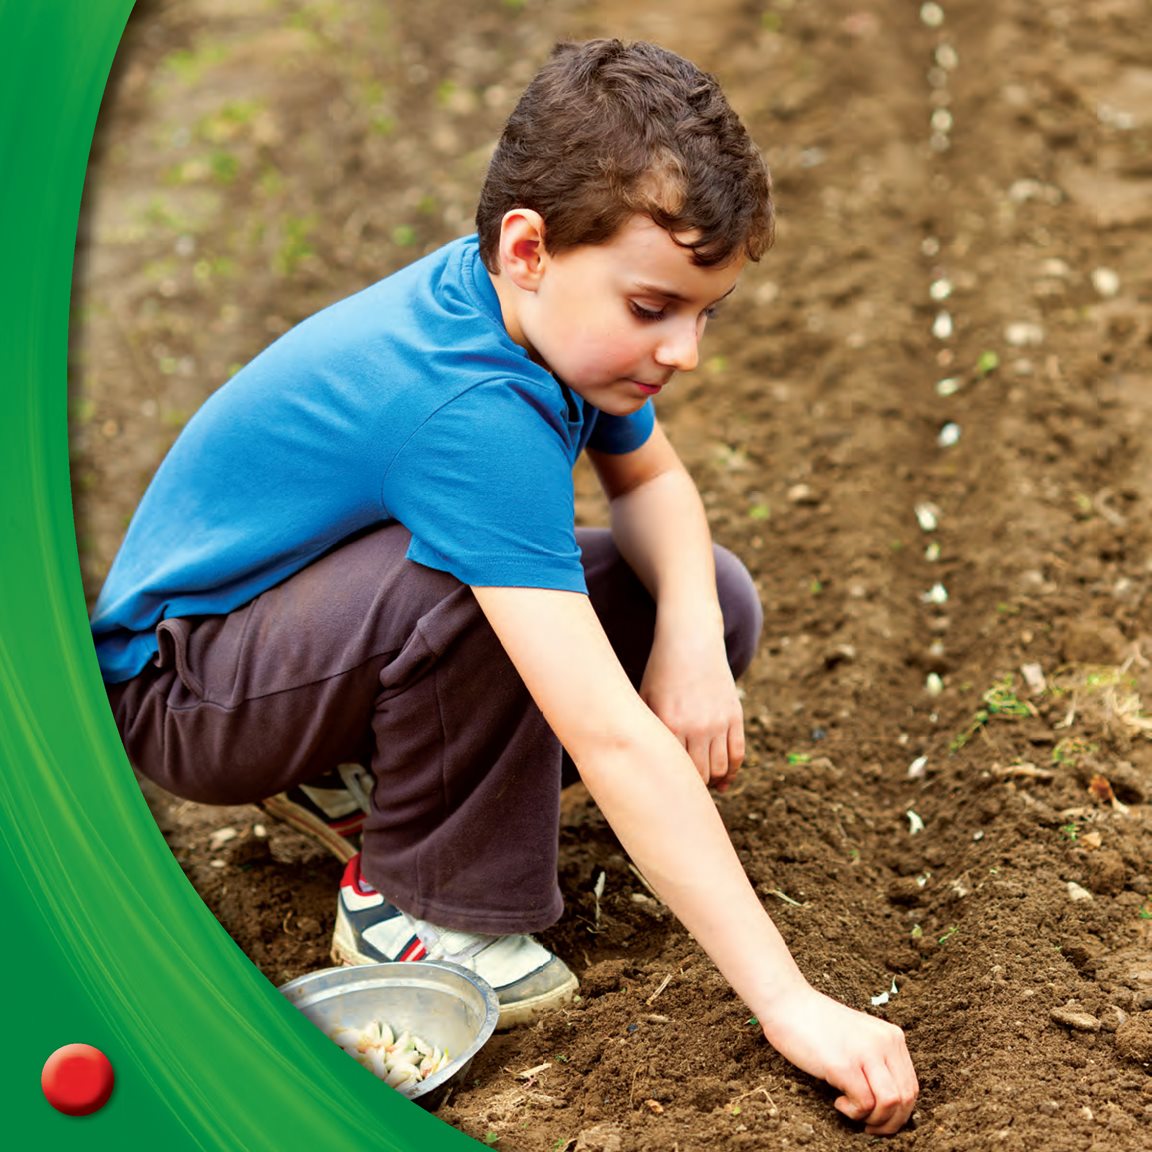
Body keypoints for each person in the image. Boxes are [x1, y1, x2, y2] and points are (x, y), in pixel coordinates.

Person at [92, 38, 919, 1134]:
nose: (686, 351)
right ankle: (416, 904)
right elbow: (612, 739)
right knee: (470, 594)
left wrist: (687, 639)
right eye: (654, 306)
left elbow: (657, 484)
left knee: (708, 595)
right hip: (185, 685)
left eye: (703, 312)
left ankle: (366, 761)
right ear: (528, 245)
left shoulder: (539, 313)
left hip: (290, 637)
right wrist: (788, 1001)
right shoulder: (470, 412)